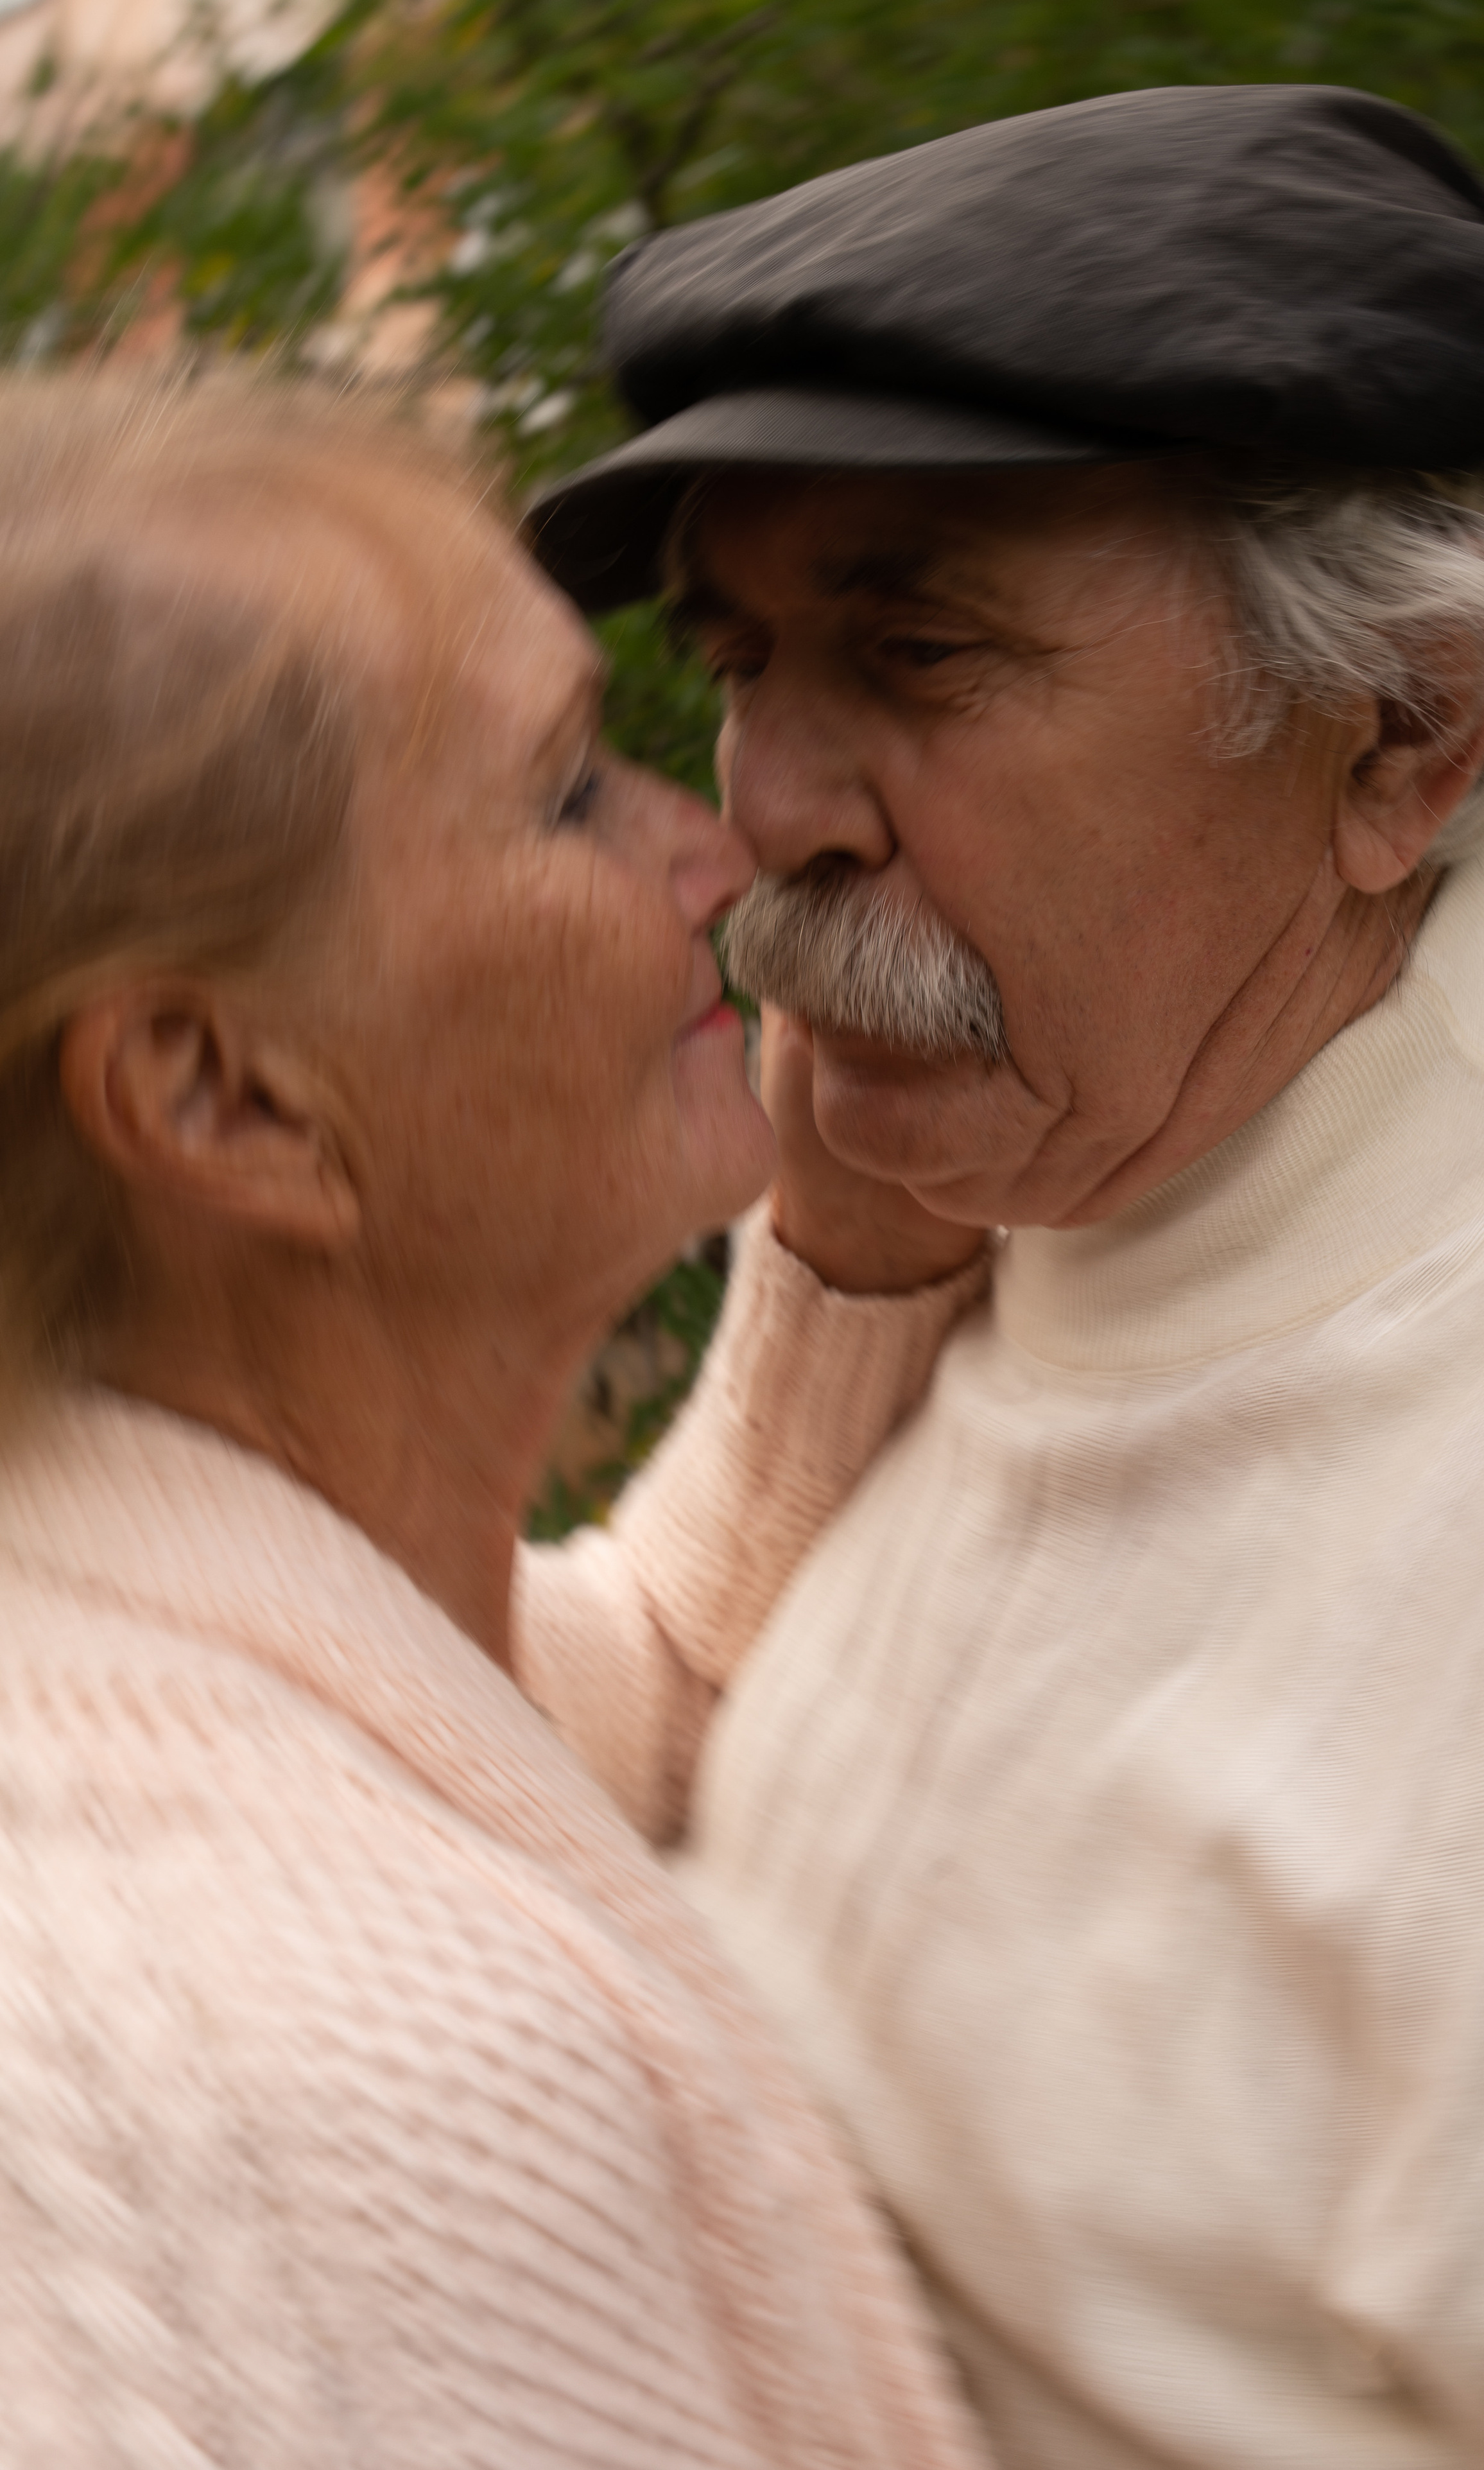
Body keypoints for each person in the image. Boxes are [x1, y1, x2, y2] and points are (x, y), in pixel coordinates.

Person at [0, 370, 989, 2469]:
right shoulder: (373, 2112)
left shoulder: (36, 1613)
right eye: (563, 798)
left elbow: (617, 1674)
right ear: (227, 1101)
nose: (715, 838)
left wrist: (860, 1231)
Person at [521, 83, 1484, 2470]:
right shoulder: (1053, 1151)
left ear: (1406, 736)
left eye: (921, 655)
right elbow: (654, 1686)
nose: (764, 803)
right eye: (745, 658)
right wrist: (836, 1278)